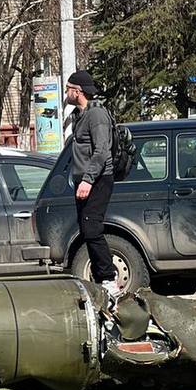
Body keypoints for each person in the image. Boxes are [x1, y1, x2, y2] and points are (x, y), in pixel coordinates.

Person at [63, 69, 120, 297]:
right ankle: (101, 278)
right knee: (87, 230)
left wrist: (87, 180)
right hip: (84, 180)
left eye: (68, 88)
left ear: (78, 91)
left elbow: (102, 152)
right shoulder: (80, 114)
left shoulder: (96, 115)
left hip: (98, 179)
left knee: (92, 228)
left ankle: (109, 278)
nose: (66, 92)